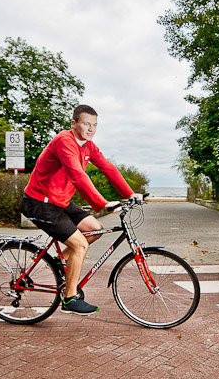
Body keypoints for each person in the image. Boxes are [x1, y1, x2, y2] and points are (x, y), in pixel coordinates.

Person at [20, 104, 141, 315]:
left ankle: (59, 261)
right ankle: (69, 299)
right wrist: (102, 203)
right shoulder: (64, 141)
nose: (91, 129)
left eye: (95, 125)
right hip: (40, 203)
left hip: (61, 202)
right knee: (79, 245)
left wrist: (129, 193)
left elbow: (108, 168)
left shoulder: (88, 146)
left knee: (95, 228)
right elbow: (77, 175)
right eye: (86, 124)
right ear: (74, 124)